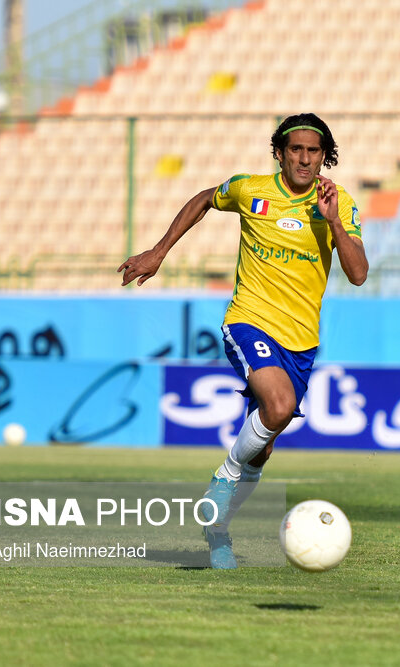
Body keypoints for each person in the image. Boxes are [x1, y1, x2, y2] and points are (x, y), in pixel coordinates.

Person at [118, 113, 368, 567]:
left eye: (314, 150)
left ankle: (217, 531)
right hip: (248, 321)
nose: (305, 158)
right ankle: (224, 476)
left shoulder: (339, 202)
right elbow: (204, 199)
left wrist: (331, 222)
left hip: (301, 341)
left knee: (264, 444)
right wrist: (159, 251)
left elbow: (358, 273)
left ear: (323, 155)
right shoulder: (250, 189)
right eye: (296, 149)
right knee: (278, 407)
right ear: (280, 152)